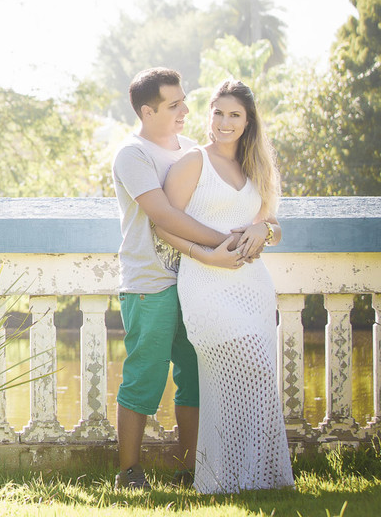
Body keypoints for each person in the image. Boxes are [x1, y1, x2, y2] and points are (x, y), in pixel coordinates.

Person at [154, 79, 293, 493]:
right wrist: (206, 254)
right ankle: (223, 477)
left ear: (248, 121)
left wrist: (264, 233)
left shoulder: (258, 166)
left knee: (260, 376)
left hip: (252, 287)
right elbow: (162, 224)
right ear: (209, 113)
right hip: (206, 284)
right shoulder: (193, 162)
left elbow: (273, 226)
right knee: (246, 365)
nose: (225, 122)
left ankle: (253, 478)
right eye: (219, 112)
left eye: (235, 115)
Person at [110, 68, 238, 491]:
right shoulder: (133, 154)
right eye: (174, 104)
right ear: (147, 111)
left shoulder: (187, 149)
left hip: (196, 279)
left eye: (184, 101)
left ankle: (192, 470)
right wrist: (226, 243)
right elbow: (163, 215)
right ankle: (128, 472)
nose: (186, 110)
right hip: (151, 284)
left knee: (194, 373)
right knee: (145, 376)